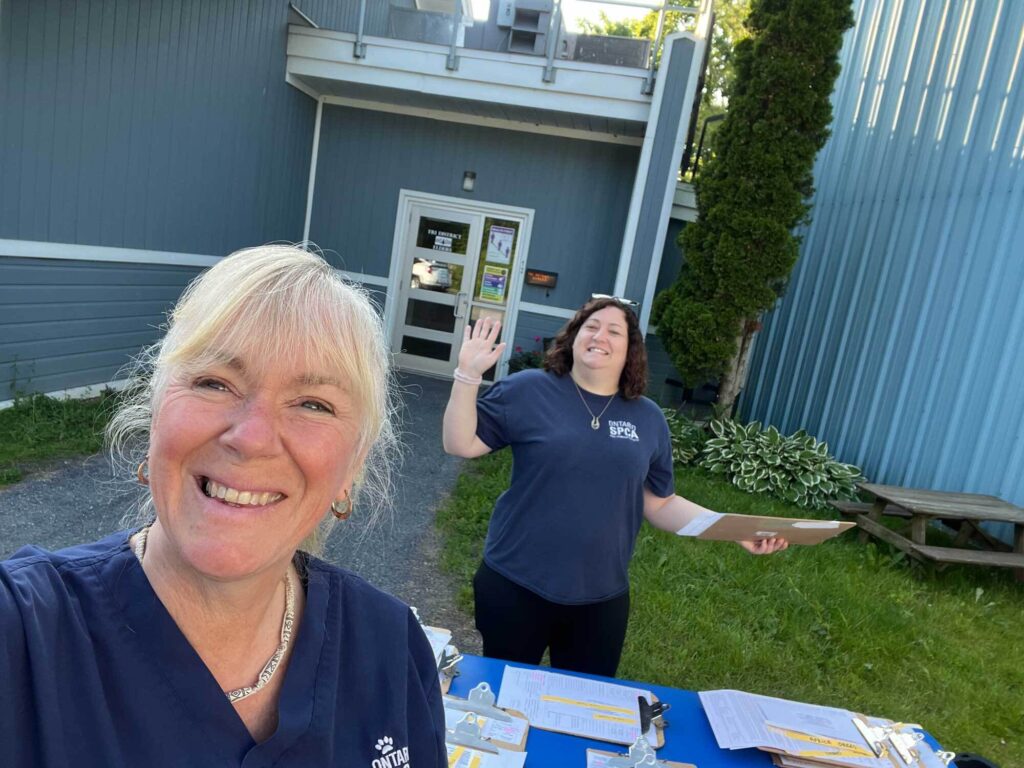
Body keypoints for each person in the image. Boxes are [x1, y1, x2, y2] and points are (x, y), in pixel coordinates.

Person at [0, 246, 447, 767]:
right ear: (154, 419)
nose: (253, 438)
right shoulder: (22, 636)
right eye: (215, 382)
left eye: (312, 404)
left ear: (352, 468)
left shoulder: (391, 649)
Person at [443, 297, 788, 678]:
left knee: (581, 712)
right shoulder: (528, 391)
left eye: (614, 331)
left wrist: (735, 529)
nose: (599, 336)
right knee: (503, 699)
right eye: (590, 326)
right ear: (573, 338)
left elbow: (660, 504)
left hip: (599, 597)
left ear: (630, 350)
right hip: (516, 582)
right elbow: (461, 444)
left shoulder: (648, 418)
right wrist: (466, 375)